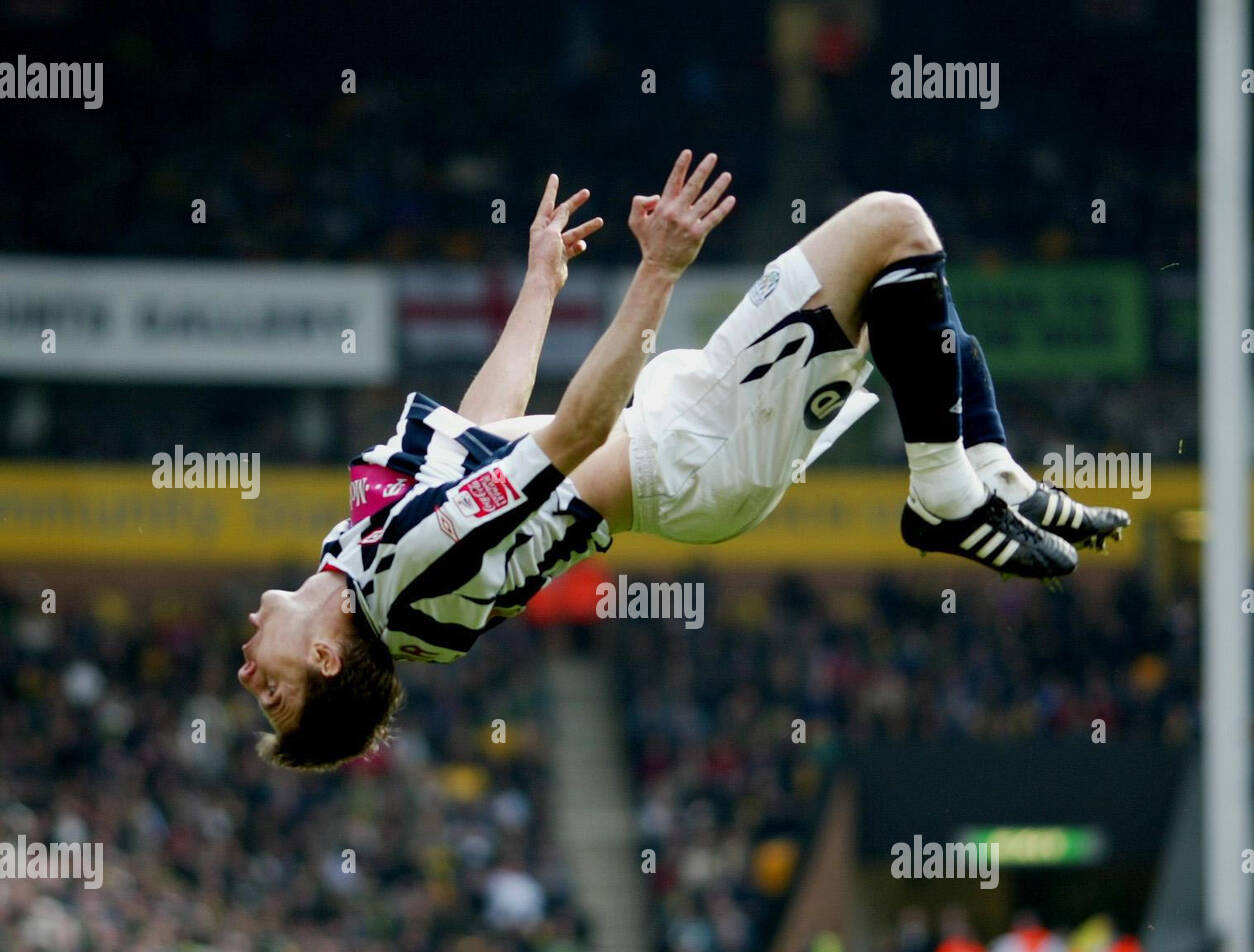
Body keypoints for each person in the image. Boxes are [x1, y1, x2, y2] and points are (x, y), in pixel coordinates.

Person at [239, 150, 1130, 769]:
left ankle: (986, 471)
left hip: (683, 446)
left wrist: (541, 284)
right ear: (324, 659)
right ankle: (944, 492)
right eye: (270, 696)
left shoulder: (362, 566)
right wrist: (658, 270)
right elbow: (576, 431)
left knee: (896, 294)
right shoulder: (407, 577)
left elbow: (484, 432)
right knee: (892, 227)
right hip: (690, 448)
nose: (247, 676)